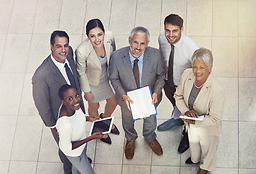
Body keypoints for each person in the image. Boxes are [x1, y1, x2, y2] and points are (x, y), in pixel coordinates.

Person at [32, 30, 85, 174]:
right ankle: (69, 171)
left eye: (66, 45)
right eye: (58, 46)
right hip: (60, 119)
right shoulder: (41, 75)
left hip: (76, 109)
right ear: (51, 47)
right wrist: (53, 125)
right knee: (66, 146)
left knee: (79, 136)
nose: (63, 50)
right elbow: (42, 104)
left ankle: (80, 157)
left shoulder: (69, 56)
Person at [110, 26, 165, 160]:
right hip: (127, 99)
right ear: (129, 40)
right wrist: (123, 94)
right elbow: (114, 78)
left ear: (147, 43)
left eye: (142, 43)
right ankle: (130, 140)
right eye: (135, 42)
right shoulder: (117, 57)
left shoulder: (156, 55)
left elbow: (161, 76)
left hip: (150, 98)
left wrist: (157, 91)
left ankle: (150, 137)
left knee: (151, 122)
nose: (138, 47)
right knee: (127, 122)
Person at [174, 48, 225, 174]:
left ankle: (204, 168)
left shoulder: (217, 90)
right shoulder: (187, 74)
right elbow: (178, 95)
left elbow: (215, 118)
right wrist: (186, 111)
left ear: (210, 68)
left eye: (202, 67)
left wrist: (194, 121)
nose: (197, 71)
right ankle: (195, 159)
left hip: (209, 126)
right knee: (194, 144)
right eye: (195, 66)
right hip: (191, 122)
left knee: (208, 150)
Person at [158, 14, 200, 154]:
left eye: (174, 31)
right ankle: (177, 119)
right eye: (167, 30)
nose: (170, 35)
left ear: (182, 29)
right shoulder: (162, 39)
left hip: (183, 88)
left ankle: (187, 135)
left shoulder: (192, 48)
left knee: (187, 111)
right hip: (168, 83)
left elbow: (200, 72)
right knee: (175, 105)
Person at [57, 84, 103, 174]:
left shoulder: (74, 108)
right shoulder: (65, 124)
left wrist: (90, 119)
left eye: (76, 95)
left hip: (82, 144)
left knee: (76, 170)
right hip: (74, 153)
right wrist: (90, 138)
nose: (76, 100)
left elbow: (80, 117)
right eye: (70, 98)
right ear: (63, 101)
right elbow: (67, 147)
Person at [76, 18, 119, 145]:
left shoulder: (109, 37)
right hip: (92, 83)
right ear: (87, 36)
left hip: (106, 79)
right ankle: (100, 131)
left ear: (104, 32)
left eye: (100, 34)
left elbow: (114, 54)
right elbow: (81, 72)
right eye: (92, 36)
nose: (97, 39)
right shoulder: (81, 50)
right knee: (93, 108)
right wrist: (87, 92)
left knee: (113, 102)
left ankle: (105, 119)